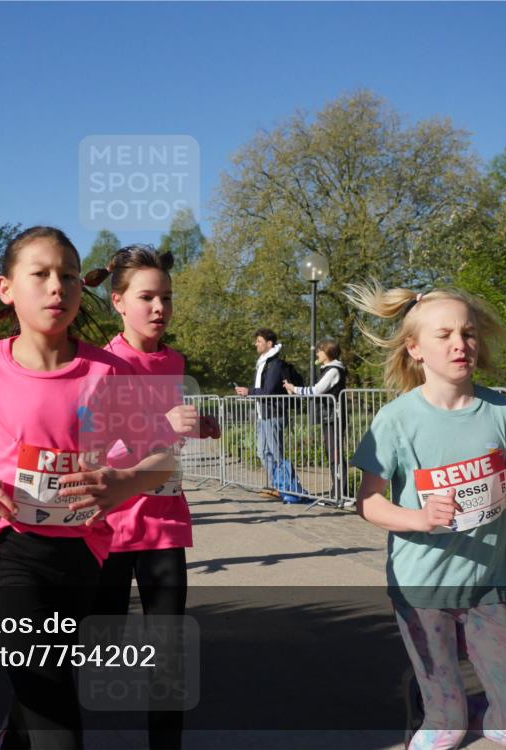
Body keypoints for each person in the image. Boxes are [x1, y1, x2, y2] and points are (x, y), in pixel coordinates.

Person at [0, 226, 176, 750]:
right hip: (9, 548)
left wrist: (122, 482)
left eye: (69, 276)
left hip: (83, 552)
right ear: (6, 288)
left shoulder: (109, 372)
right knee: (51, 697)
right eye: (40, 274)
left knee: (45, 675)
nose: (57, 286)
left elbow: (161, 458)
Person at [347, 282, 506, 750]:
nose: (460, 343)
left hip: (486, 581)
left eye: (468, 333)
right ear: (415, 348)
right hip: (423, 583)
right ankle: (441, 707)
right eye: (444, 335)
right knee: (445, 732)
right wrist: (420, 519)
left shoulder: (504, 411)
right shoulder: (396, 420)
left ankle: (462, 705)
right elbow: (368, 502)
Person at [89, 244, 220, 750]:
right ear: (119, 302)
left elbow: (167, 439)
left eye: (166, 297)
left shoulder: (174, 361)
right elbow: (91, 444)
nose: (160, 307)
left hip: (163, 521)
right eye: (147, 297)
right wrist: (159, 426)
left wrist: (197, 426)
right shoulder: (101, 364)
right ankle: (19, 733)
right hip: (109, 527)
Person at [234, 329, 301, 500]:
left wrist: (248, 391)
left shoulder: (275, 364)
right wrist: (248, 392)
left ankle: (288, 488)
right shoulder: (263, 363)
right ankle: (277, 485)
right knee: (263, 452)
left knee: (276, 453)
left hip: (274, 414)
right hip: (263, 414)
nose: (255, 344)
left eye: (259, 341)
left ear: (269, 344)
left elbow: (268, 390)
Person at [283, 338, 348, 501]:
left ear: (328, 352)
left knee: (335, 455)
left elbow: (316, 390)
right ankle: (337, 492)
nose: (317, 353)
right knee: (332, 454)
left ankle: (341, 493)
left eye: (320, 350)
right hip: (330, 417)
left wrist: (294, 389)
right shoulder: (328, 369)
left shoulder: (333, 370)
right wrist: (295, 391)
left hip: (334, 417)